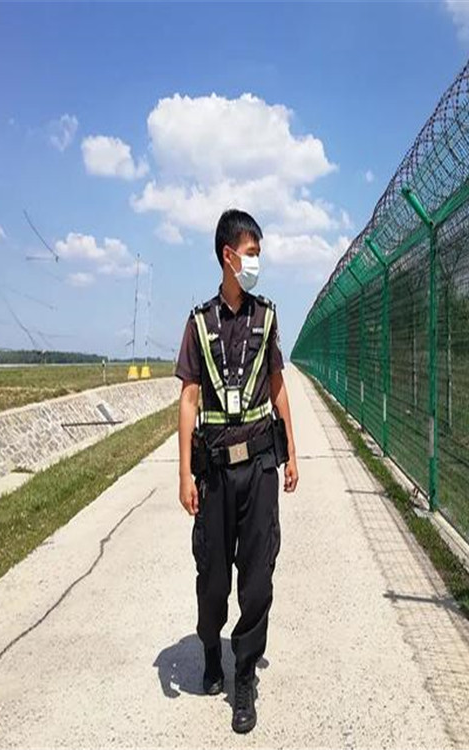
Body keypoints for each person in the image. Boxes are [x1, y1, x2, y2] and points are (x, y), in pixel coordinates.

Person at [175, 208, 299, 734]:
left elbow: (277, 385)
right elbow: (188, 399)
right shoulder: (198, 323)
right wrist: (185, 474)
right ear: (228, 256)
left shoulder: (266, 317)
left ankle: (243, 675)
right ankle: (211, 648)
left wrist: (292, 452)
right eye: (251, 253)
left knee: (257, 577)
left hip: (261, 466)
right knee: (212, 577)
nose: (256, 263)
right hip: (215, 472)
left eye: (258, 254)